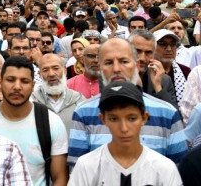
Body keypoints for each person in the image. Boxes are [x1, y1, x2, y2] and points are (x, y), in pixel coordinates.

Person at [67, 38, 187, 166]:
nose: (117, 69)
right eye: (108, 63)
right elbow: (79, 171)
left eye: (124, 61)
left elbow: (179, 170)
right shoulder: (83, 112)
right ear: (100, 68)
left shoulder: (167, 113)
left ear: (136, 65)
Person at [69, 81, 182, 186]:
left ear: (144, 118)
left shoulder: (164, 168)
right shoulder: (86, 165)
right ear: (103, 119)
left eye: (132, 118)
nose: (124, 128)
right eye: (114, 119)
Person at [0, 56, 69, 186]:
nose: (17, 87)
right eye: (10, 80)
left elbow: (60, 177)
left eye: (24, 81)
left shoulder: (51, 122)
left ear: (33, 85)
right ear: (0, 82)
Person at [32, 53, 85, 138]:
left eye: (56, 68)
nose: (51, 74)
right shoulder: (32, 101)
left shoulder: (79, 100)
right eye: (45, 70)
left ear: (64, 70)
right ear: (39, 74)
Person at [128, 30, 177, 108]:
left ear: (154, 54)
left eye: (148, 52)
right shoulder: (114, 76)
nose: (142, 58)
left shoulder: (164, 80)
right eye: (137, 51)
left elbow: (174, 115)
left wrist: (158, 87)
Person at [153, 29, 190, 104]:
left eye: (173, 44)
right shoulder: (146, 71)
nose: (169, 49)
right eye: (163, 44)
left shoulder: (185, 71)